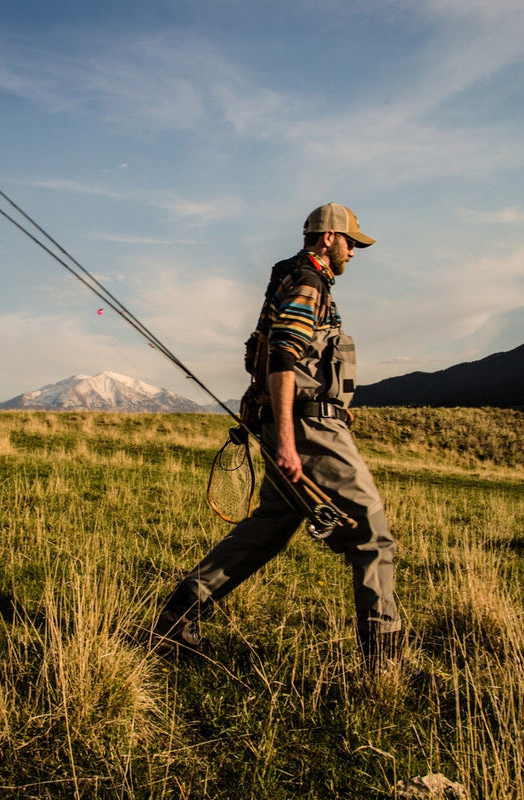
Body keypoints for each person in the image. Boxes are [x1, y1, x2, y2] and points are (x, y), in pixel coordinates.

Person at [151, 202, 402, 669]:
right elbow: (285, 357)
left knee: (270, 527)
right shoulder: (309, 282)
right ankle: (384, 661)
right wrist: (287, 442)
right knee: (372, 535)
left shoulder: (292, 278)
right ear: (329, 237)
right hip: (309, 427)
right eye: (351, 242)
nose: (353, 252)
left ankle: (175, 618)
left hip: (289, 423)